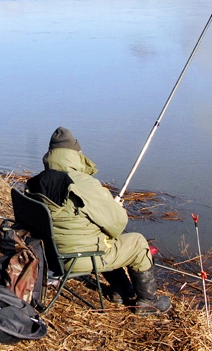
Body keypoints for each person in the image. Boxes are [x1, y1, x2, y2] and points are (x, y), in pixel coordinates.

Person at [25, 127, 171, 314]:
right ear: (76, 154)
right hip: (78, 259)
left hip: (49, 257)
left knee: (101, 238)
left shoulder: (35, 183)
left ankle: (122, 291)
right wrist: (115, 207)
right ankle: (149, 303)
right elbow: (117, 225)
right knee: (137, 243)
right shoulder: (84, 184)